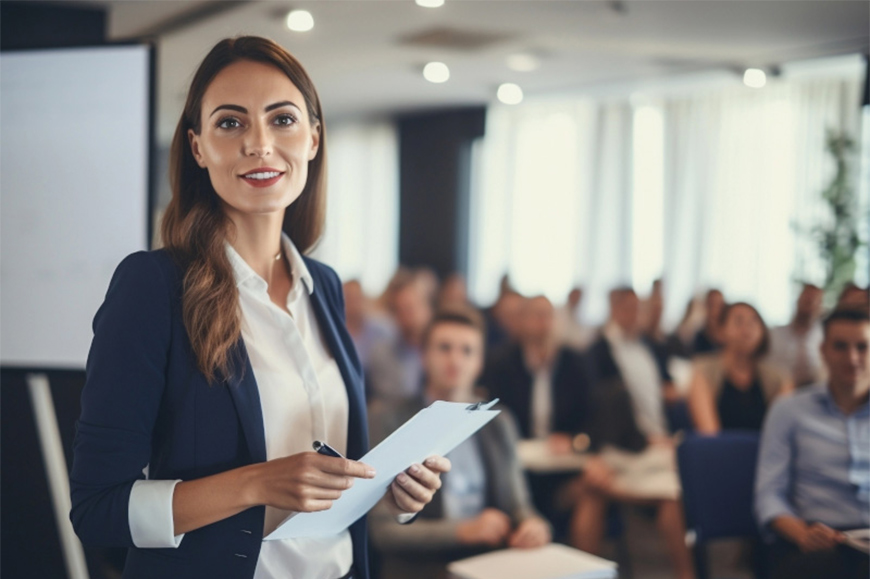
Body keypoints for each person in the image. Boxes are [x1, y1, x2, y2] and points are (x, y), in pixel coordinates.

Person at [69, 36, 449, 579]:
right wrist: (254, 484)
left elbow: (332, 483)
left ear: (314, 139)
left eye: (283, 120)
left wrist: (393, 494)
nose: (259, 144)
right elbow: (98, 509)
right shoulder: (153, 285)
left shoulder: (324, 285)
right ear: (198, 148)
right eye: (230, 123)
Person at [368, 307, 552, 579]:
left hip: (492, 563)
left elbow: (519, 504)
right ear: (423, 355)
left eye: (467, 350)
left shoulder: (499, 422)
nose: (455, 359)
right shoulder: (388, 418)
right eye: (444, 348)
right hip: (421, 569)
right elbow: (383, 532)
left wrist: (533, 524)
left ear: (480, 362)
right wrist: (462, 531)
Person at [577, 287, 694, 579]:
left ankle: (686, 571)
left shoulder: (648, 347)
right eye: (628, 308)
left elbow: (665, 390)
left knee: (680, 485)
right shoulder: (598, 351)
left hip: (657, 442)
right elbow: (600, 411)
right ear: (614, 309)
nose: (635, 314)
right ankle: (582, 572)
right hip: (623, 448)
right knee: (595, 489)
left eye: (638, 308)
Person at [755, 307, 870, 579]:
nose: (852, 358)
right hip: (812, 543)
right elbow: (769, 495)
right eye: (840, 346)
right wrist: (803, 534)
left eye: (862, 347)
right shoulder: (789, 411)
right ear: (823, 350)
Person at [688, 302, 793, 433]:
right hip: (718, 451)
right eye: (739, 321)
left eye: (753, 322)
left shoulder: (778, 377)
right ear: (721, 330)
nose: (747, 329)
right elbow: (709, 435)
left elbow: (780, 433)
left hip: (765, 452)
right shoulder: (704, 370)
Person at [367, 269, 433, 401]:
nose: (407, 317)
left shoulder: (443, 348)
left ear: (427, 307)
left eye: (411, 308)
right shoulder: (382, 353)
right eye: (399, 310)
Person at [768, 283, 826, 387]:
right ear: (798, 300)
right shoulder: (774, 334)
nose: (810, 304)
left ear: (821, 306)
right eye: (806, 300)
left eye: (815, 301)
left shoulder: (825, 338)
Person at [692, 288, 725, 355]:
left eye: (719, 305)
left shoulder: (729, 337)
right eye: (712, 304)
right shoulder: (699, 337)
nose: (715, 310)